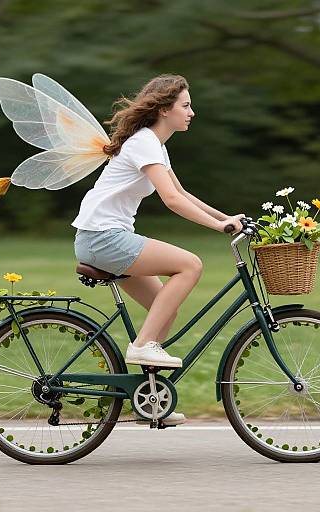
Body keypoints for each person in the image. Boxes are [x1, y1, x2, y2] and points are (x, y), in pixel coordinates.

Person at [71, 74, 244, 424]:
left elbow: (182, 193)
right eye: (186, 106)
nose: (191, 112)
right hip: (102, 237)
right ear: (165, 110)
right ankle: (142, 346)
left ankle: (148, 399)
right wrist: (216, 227)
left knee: (165, 309)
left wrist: (225, 217)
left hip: (102, 237)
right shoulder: (144, 142)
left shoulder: (155, 145)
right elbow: (170, 200)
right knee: (190, 265)